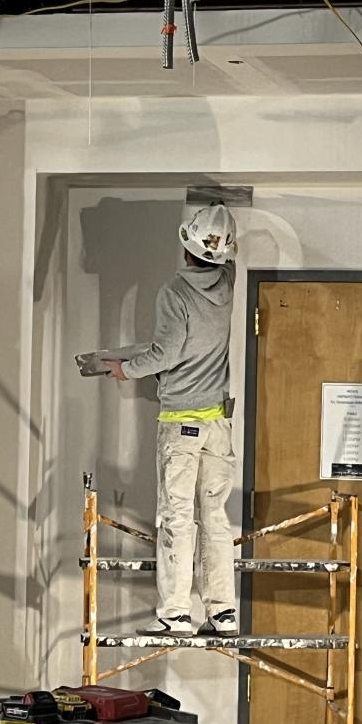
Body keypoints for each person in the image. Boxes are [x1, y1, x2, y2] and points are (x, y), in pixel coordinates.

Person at [104, 203, 239, 637]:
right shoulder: (228, 282)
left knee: (178, 517)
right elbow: (224, 259)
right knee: (215, 517)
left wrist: (126, 369)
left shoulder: (174, 293)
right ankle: (223, 612)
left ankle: (176, 614)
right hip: (218, 425)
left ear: (185, 248)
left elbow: (165, 353)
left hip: (181, 422)